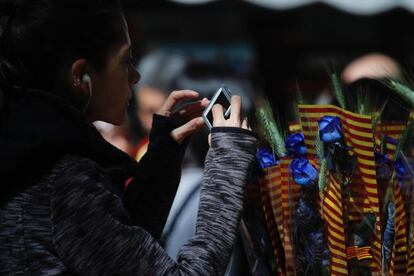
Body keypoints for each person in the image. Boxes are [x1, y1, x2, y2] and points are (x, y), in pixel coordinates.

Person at [0, 0, 258, 275]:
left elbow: (117, 252)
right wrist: (228, 162)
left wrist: (163, 156)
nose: (135, 76)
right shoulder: (62, 179)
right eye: (125, 61)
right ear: (81, 76)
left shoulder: (28, 150)